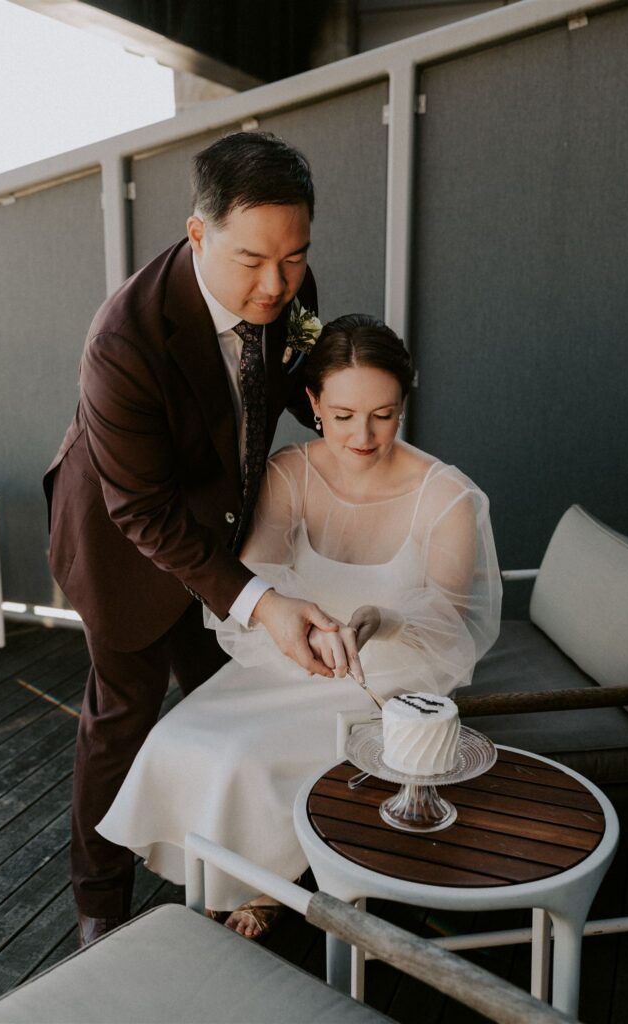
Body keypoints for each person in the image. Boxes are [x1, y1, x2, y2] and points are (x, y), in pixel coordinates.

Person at [97, 314, 503, 939]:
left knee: (246, 757)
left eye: (383, 414)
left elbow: (452, 627)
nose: (362, 436)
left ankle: (257, 889)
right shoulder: (291, 471)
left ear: (404, 400)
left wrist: (383, 617)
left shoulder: (446, 495)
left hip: (387, 678)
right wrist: (307, 633)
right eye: (342, 416)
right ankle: (230, 879)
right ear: (312, 401)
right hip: (287, 658)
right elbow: (255, 582)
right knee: (180, 735)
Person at [43, 132, 345, 946]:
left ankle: (231, 878)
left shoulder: (289, 284)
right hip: (119, 544)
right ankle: (98, 905)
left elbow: (298, 373)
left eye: (294, 256)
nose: (277, 283)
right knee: (121, 721)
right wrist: (263, 603)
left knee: (227, 710)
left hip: (221, 537)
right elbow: (140, 509)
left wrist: (352, 400)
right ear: (198, 233)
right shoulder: (122, 340)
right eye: (252, 260)